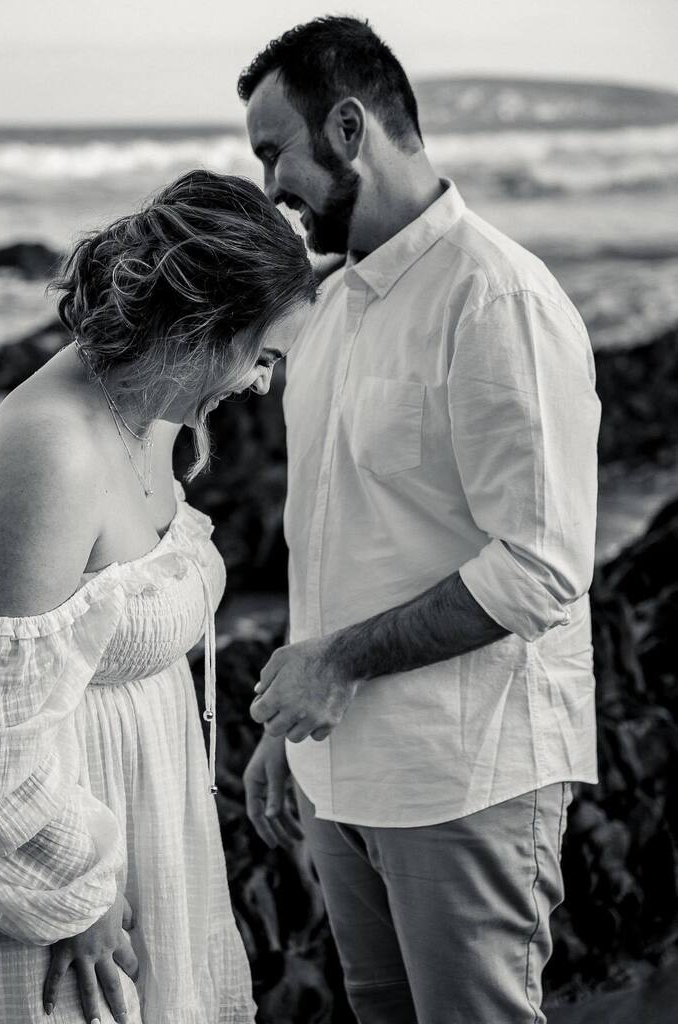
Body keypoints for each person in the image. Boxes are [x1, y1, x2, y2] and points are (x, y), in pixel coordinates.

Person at [0, 169, 316, 1024]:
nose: (262, 384)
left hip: (134, 802)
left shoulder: (155, 406)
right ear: (202, 327)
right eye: (263, 357)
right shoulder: (52, 452)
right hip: (34, 848)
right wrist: (75, 895)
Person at [239, 17, 602, 1024]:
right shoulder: (328, 307)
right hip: (342, 774)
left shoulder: (497, 301)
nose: (269, 187)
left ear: (348, 128)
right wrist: (291, 727)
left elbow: (538, 566)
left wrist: (336, 662)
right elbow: (339, 536)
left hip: (464, 776)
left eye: (274, 152)